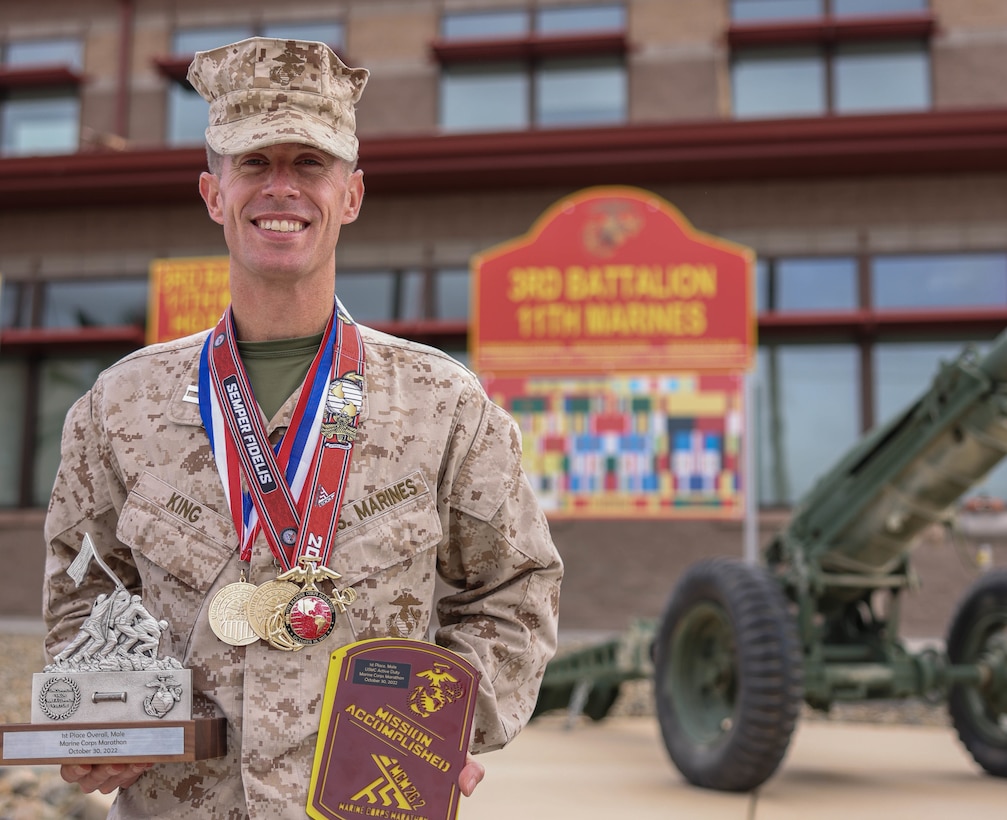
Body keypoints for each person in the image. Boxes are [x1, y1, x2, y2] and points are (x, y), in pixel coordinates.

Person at [42, 36, 563, 818]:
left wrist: (446, 723)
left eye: (309, 164)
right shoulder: (121, 407)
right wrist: (94, 720)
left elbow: (514, 590)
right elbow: (83, 589)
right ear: (214, 194)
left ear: (350, 196)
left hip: (364, 804)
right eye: (253, 164)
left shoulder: (444, 403)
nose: (280, 188)